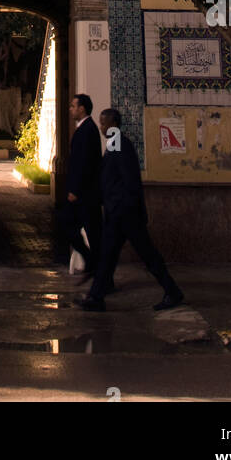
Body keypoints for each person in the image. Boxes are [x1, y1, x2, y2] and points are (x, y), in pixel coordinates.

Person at [81, 108, 184, 312]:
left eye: (104, 123)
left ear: (113, 123)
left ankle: (173, 292)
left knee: (147, 255)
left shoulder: (119, 144)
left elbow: (129, 180)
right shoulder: (115, 143)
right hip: (119, 214)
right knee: (108, 255)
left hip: (125, 214)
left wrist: (119, 205)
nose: (101, 127)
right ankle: (96, 296)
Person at [64, 94, 102, 279]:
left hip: (84, 194)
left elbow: (84, 164)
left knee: (84, 229)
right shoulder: (85, 129)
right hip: (84, 193)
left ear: (82, 108)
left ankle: (96, 266)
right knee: (88, 231)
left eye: (73, 106)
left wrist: (75, 190)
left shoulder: (87, 130)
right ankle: (94, 264)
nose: (71, 109)